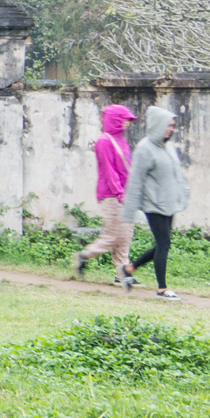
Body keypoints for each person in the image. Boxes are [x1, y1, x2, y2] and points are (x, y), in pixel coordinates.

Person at [123, 103, 189, 298]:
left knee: (164, 244)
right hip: (154, 205)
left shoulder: (166, 147)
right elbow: (135, 181)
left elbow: (174, 175)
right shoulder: (144, 149)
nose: (170, 129)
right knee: (163, 243)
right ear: (158, 125)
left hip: (169, 204)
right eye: (167, 125)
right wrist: (129, 212)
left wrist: (182, 194)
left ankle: (129, 269)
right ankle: (161, 288)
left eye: (172, 126)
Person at [73, 102, 137, 287]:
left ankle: (121, 272)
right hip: (112, 195)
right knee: (115, 233)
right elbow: (109, 171)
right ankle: (84, 255)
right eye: (124, 120)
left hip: (126, 193)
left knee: (126, 233)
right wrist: (119, 192)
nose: (127, 124)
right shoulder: (104, 141)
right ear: (116, 120)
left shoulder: (121, 140)